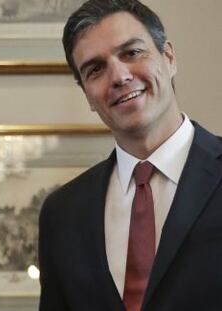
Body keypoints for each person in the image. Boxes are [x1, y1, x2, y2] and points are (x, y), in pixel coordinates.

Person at [39, 0, 222, 310]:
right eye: (96, 69)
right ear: (86, 94)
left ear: (169, 57)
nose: (119, 76)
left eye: (132, 53)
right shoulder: (61, 214)